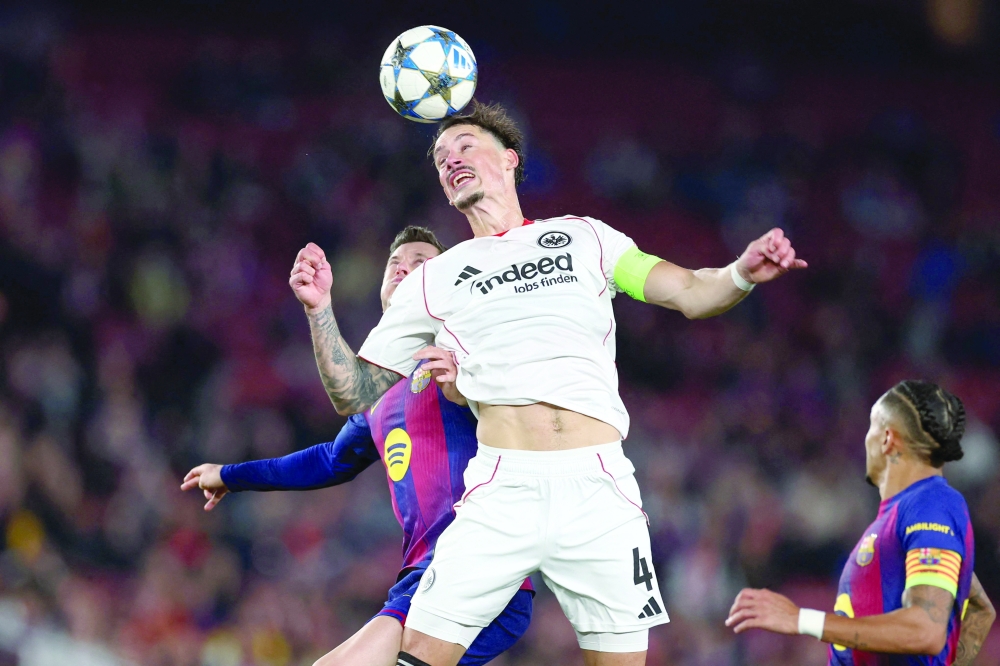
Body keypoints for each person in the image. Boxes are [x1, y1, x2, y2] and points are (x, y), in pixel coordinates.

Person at [288, 101, 806, 666]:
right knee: (417, 657)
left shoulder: (586, 239)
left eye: (465, 146)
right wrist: (319, 312)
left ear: (510, 159)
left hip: (599, 484)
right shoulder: (434, 279)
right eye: (440, 158)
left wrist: (740, 274)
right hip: (502, 487)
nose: (451, 160)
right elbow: (355, 394)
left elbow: (687, 290)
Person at [181, 225, 533, 666]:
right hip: (422, 579)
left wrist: (474, 382)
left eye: (421, 264)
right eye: (395, 265)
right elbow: (331, 460)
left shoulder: (470, 352)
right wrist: (231, 475)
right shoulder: (379, 391)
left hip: (477, 573)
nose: (404, 270)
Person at [725, 380, 996, 665]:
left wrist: (801, 619)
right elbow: (978, 609)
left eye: (871, 427)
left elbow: (926, 630)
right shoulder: (901, 514)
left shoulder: (929, 504)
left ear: (888, 438)